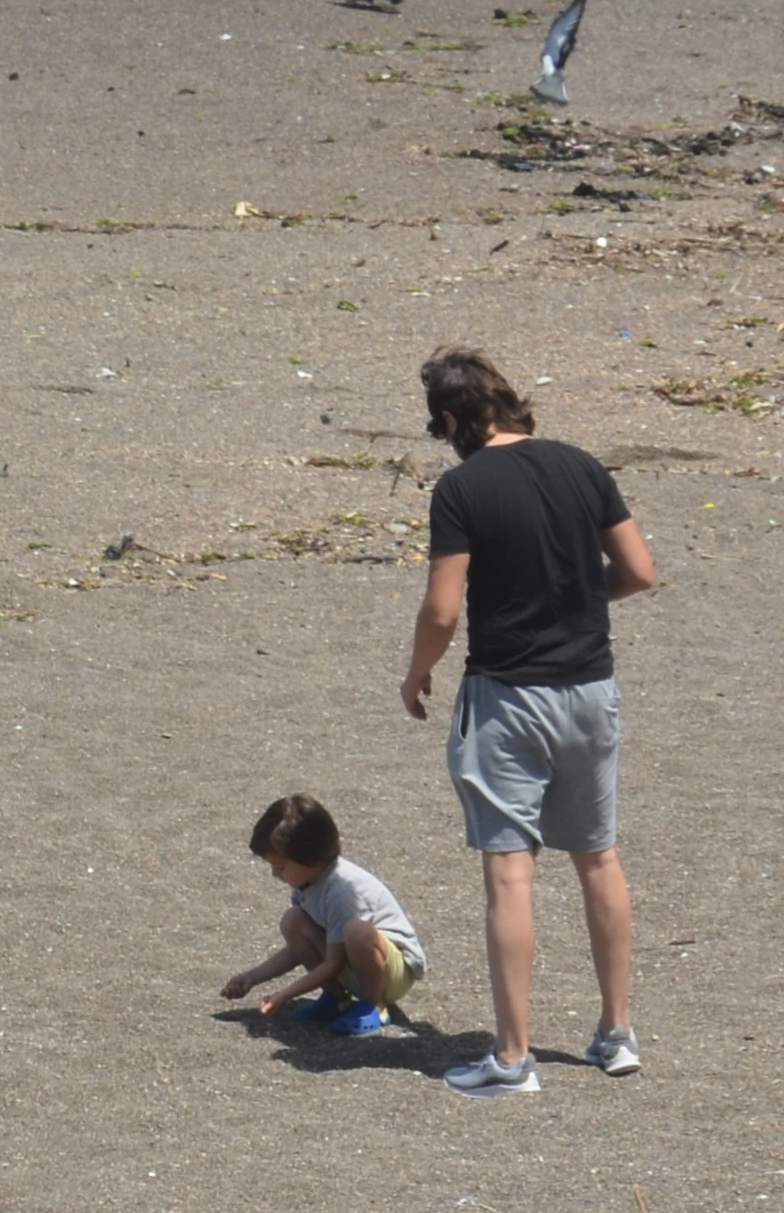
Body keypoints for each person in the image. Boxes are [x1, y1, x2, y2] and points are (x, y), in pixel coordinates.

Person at [400, 345, 661, 1096]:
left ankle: (512, 1059)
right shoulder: (583, 465)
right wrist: (575, 601)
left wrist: (419, 670)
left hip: (508, 695)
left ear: (452, 420)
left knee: (511, 873)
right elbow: (639, 572)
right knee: (599, 859)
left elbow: (443, 609)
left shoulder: (461, 489)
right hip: (591, 689)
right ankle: (617, 1033)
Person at [215, 793, 428, 1041]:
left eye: (280, 866)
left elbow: (333, 964)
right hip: (352, 963)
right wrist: (251, 977)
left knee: (356, 932)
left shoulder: (342, 891)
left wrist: (285, 994)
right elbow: (297, 950)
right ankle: (338, 1000)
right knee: (293, 920)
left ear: (312, 857)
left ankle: (375, 1006)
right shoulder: (307, 884)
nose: (275, 873)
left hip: (392, 973)